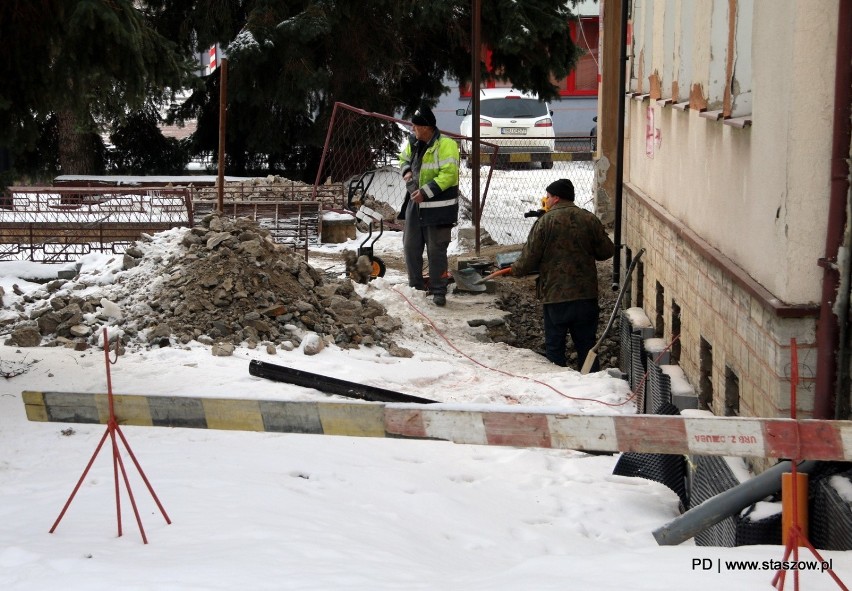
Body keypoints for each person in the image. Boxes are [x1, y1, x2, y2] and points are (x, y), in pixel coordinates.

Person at [511, 178, 615, 371]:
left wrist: (514, 270)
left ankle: (558, 388)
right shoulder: (589, 219)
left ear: (557, 198)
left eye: (548, 196)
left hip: (555, 296)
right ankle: (593, 385)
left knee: (554, 347)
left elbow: (527, 260)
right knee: (586, 345)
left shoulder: (544, 222)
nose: (546, 200)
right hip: (585, 296)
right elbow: (606, 252)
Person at [398, 103, 460, 306]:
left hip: (438, 208)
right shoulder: (414, 142)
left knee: (436, 250)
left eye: (415, 126)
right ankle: (415, 287)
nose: (412, 129)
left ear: (426, 127)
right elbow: (403, 157)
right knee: (411, 247)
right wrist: (406, 170)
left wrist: (425, 192)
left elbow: (449, 175)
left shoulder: (446, 145)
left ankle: (438, 289)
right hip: (416, 205)